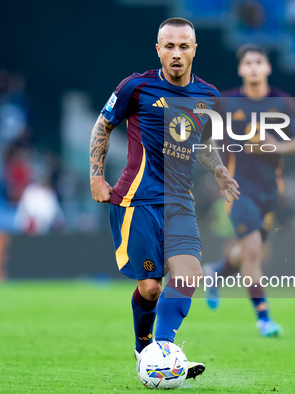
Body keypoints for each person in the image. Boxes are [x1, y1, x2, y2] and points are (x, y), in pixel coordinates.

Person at [89, 17, 239, 379]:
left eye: (183, 46)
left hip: (179, 203)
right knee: (152, 287)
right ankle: (145, 350)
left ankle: (164, 352)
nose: (175, 53)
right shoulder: (136, 88)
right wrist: (96, 176)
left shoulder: (209, 96)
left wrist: (218, 169)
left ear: (194, 50)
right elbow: (103, 125)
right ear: (158, 49)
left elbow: (200, 143)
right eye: (168, 46)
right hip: (136, 201)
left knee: (188, 277)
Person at [204, 44, 295, 337]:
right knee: (252, 252)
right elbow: (206, 138)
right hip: (239, 189)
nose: (252, 66)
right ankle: (264, 318)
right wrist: (217, 171)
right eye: (247, 62)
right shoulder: (226, 102)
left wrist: (275, 146)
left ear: (267, 68)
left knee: (248, 252)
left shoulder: (282, 102)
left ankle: (216, 272)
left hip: (269, 193)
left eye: (258, 61)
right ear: (240, 69)